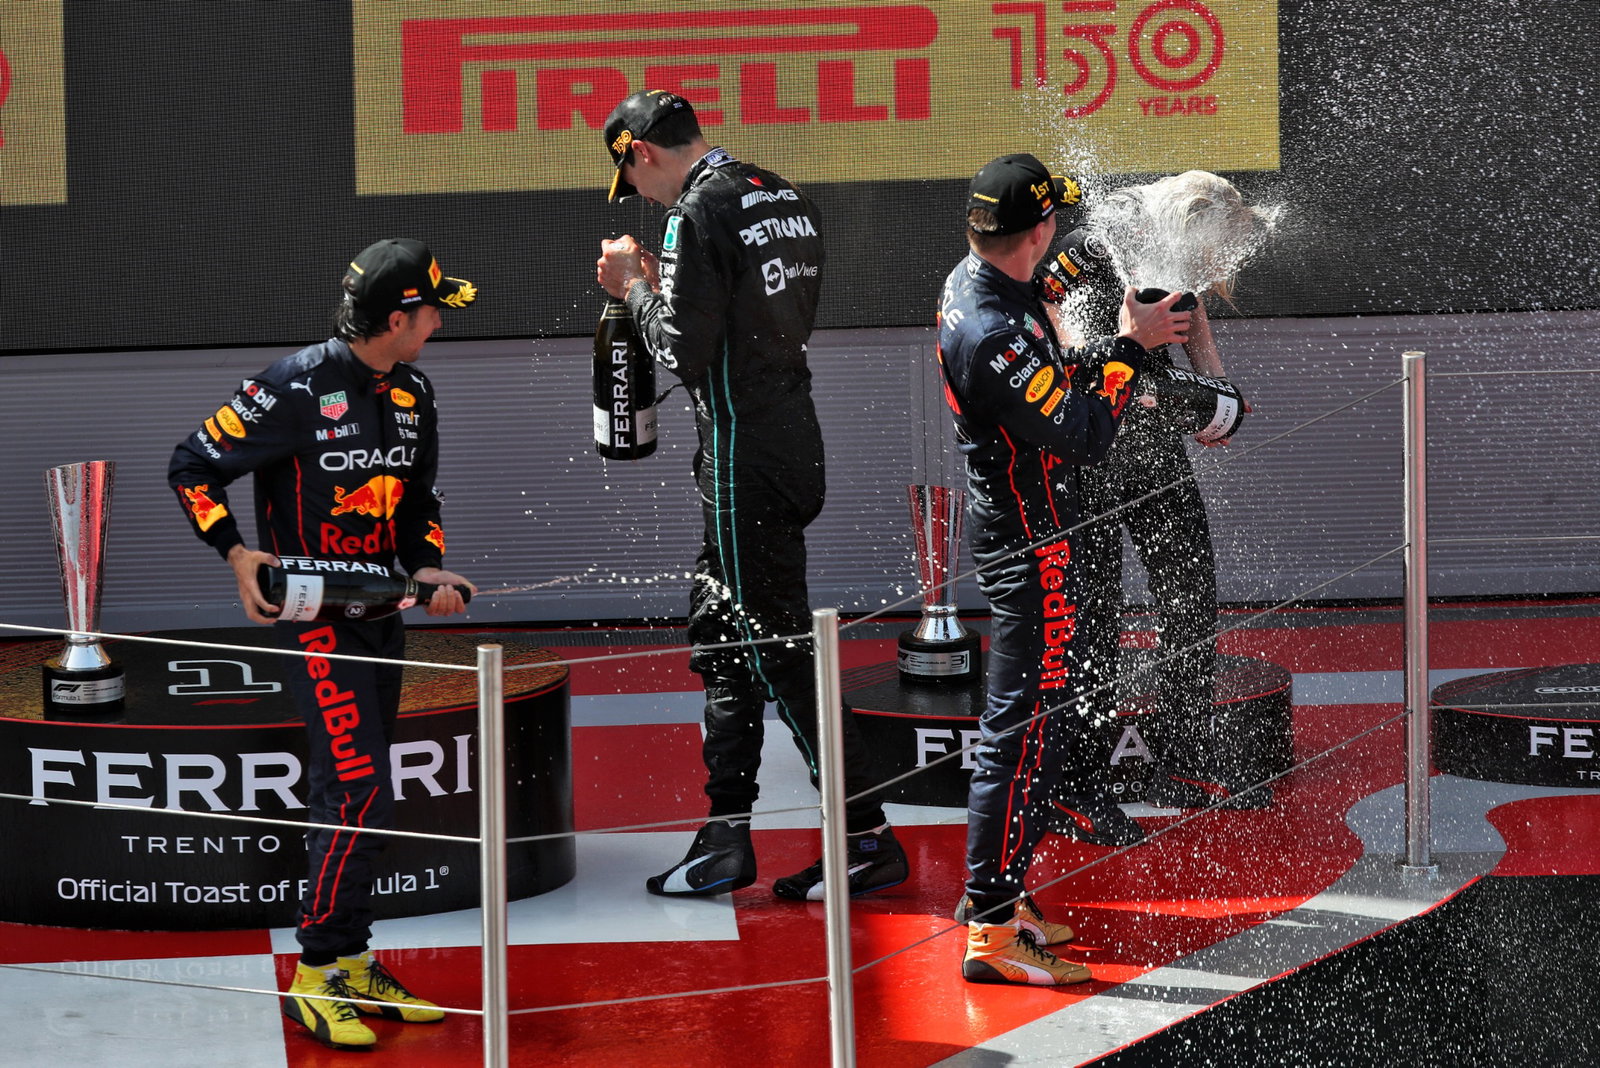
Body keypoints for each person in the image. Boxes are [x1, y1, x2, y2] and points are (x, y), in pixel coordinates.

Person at [593, 89, 907, 902]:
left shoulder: (695, 215)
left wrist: (631, 285)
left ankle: (866, 833)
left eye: (635, 181)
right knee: (721, 627)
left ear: (643, 153)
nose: (644, 197)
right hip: (792, 435)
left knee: (779, 649)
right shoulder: (784, 194)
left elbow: (683, 352)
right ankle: (726, 833)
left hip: (740, 455)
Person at [167, 238, 477, 1049]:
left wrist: (430, 568)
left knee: (365, 795)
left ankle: (351, 959)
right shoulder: (292, 385)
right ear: (400, 317)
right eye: (435, 310)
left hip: (385, 617)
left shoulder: (413, 390)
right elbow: (191, 466)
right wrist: (236, 554)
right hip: (316, 624)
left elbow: (419, 503)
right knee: (358, 788)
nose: (442, 322)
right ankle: (313, 974)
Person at [936, 153, 1189, 985]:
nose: (1057, 246)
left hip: (1040, 532)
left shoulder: (994, 286)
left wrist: (1101, 301)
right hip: (1028, 546)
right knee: (1020, 733)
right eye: (1054, 228)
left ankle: (1001, 899)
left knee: (1040, 725)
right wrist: (1133, 346)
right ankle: (990, 927)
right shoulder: (993, 331)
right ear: (1032, 228)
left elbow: (1050, 355)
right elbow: (1083, 432)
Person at [1040, 171, 1277, 812]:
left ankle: (1186, 755)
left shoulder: (1176, 253)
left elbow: (1192, 319)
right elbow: (1041, 306)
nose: (1217, 260)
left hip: (1150, 443)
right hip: (1085, 443)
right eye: (1216, 246)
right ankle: (1080, 782)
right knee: (1092, 618)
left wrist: (1216, 395)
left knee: (1190, 595)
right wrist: (1106, 363)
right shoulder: (1100, 240)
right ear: (1190, 218)